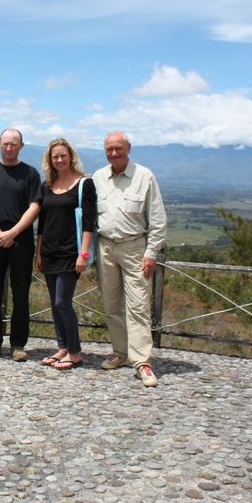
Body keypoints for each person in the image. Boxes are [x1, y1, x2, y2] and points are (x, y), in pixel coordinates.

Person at [92, 131, 167, 387]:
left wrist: (151, 252)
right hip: (105, 248)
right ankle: (120, 352)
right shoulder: (98, 177)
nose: (114, 153)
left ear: (129, 148)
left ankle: (142, 361)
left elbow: (157, 219)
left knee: (138, 305)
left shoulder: (145, 177)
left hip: (135, 248)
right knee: (112, 304)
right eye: (109, 149)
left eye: (118, 149)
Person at [0, 129, 42, 362]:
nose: (9, 147)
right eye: (6, 143)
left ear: (21, 146)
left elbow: (35, 207)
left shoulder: (30, 174)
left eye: (14, 144)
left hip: (21, 240)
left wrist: (12, 233)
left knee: (21, 293)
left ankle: (18, 344)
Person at [35, 139, 96, 370]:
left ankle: (74, 352)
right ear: (50, 160)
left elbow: (89, 222)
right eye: (55, 157)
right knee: (54, 302)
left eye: (63, 155)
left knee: (63, 301)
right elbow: (43, 223)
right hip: (49, 251)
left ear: (71, 156)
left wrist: (83, 254)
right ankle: (62, 347)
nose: (59, 160)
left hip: (71, 252)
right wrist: (38, 252)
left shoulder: (84, 184)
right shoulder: (47, 185)